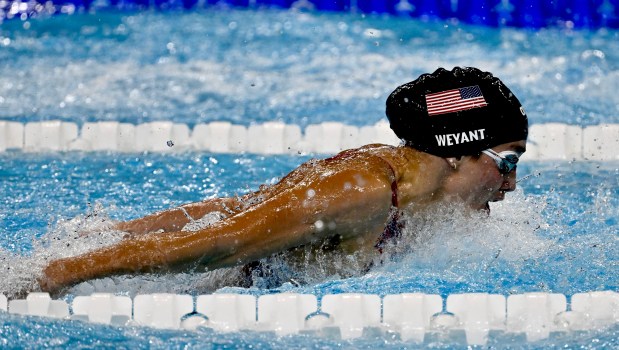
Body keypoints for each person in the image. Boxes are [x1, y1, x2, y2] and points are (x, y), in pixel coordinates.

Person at [39, 66, 528, 293]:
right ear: (458, 150)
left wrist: (116, 232)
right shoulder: (363, 190)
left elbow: (240, 207)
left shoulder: (405, 185)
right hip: (205, 296)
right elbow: (222, 243)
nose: (509, 187)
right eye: (507, 162)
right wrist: (61, 272)